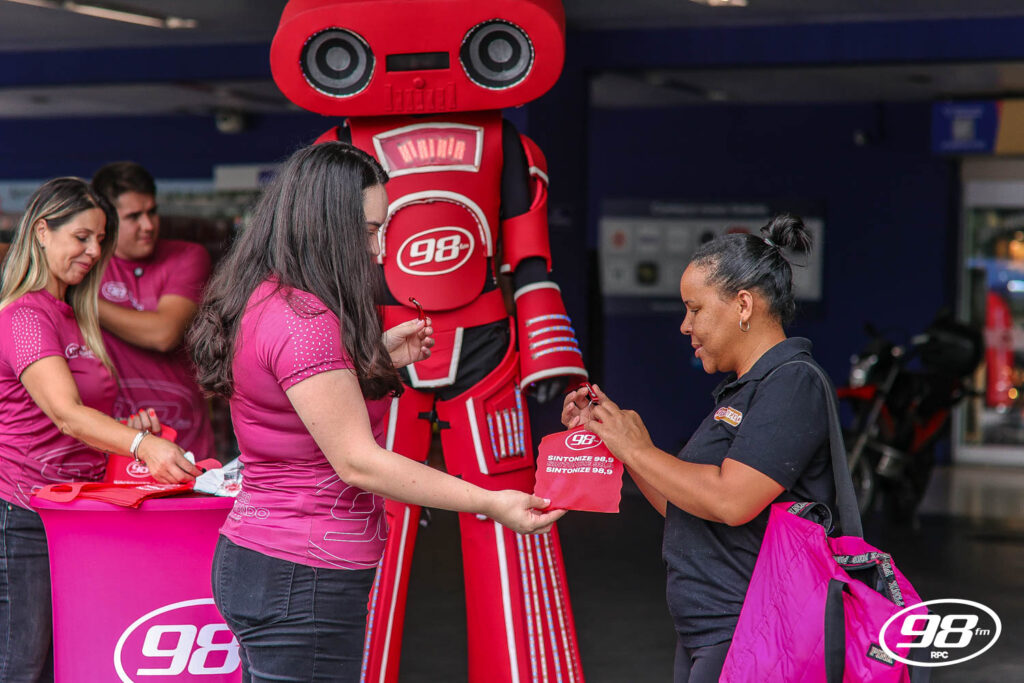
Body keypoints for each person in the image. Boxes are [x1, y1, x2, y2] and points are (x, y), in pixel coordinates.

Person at [189, 141, 564, 683]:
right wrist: (491, 501)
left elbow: (296, 401)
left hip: (272, 561)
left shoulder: (269, 297)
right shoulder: (306, 322)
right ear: (326, 226)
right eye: (368, 230)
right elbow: (358, 462)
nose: (379, 248)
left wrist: (375, 360)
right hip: (303, 573)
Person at [562, 214, 839, 683]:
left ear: (744, 304)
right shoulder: (746, 390)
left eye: (695, 309)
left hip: (755, 633)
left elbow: (731, 500)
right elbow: (686, 506)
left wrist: (639, 450)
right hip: (708, 632)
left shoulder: (792, 383)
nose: (685, 326)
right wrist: (618, 442)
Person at [0, 177, 202, 682]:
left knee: (64, 660)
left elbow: (76, 421)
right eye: (81, 237)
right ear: (41, 231)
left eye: (100, 240)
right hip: (23, 513)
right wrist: (141, 444)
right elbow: (66, 414)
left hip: (71, 512)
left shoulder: (73, 314)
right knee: (22, 665)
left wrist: (126, 431)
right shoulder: (25, 315)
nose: (94, 251)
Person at [91, 161, 214, 457]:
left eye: (152, 212)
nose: (148, 225)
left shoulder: (187, 256)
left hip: (183, 436)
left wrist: (85, 301)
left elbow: (164, 333)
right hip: (114, 438)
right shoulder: (89, 263)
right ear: (105, 220)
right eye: (134, 216)